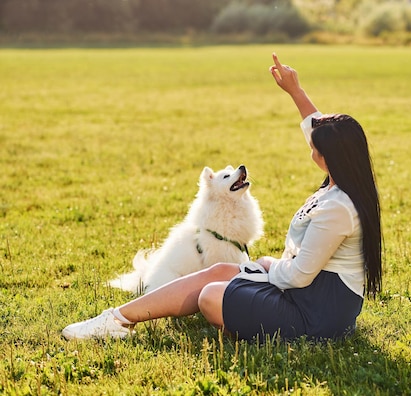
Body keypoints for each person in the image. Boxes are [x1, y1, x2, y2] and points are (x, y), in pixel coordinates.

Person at [62, 53, 382, 341]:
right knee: (218, 274)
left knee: (211, 297)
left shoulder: (338, 208)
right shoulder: (340, 182)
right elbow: (320, 131)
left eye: (316, 149)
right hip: (306, 295)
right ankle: (116, 320)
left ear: (333, 157)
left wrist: (267, 266)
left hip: (315, 314)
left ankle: (126, 319)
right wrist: (295, 91)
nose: (310, 149)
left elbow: (298, 275)